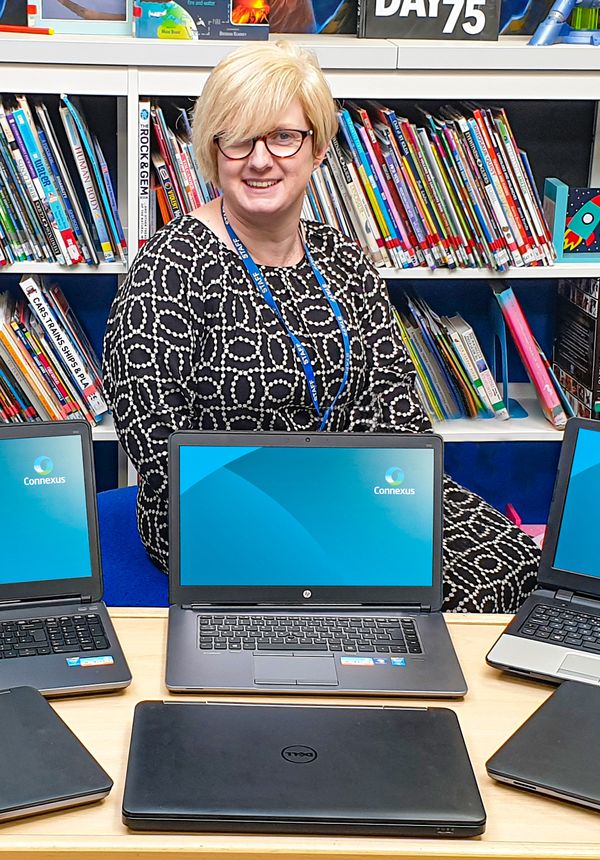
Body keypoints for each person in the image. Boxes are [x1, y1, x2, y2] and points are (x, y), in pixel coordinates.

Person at [103, 40, 540, 612]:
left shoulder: (339, 256)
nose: (260, 161)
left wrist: (397, 499)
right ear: (214, 151)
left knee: (520, 569)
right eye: (238, 138)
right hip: (224, 514)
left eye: (283, 137)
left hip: (355, 494)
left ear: (317, 148)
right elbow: (161, 454)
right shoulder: (168, 270)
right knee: (413, 597)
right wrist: (321, 519)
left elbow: (396, 408)